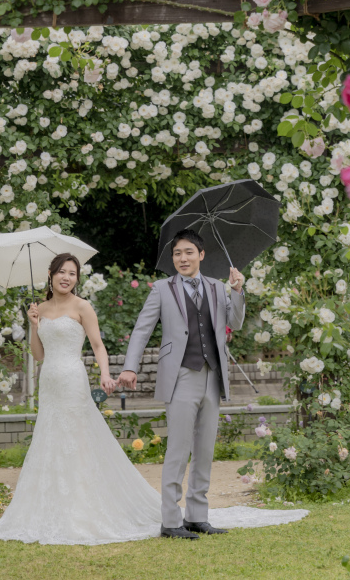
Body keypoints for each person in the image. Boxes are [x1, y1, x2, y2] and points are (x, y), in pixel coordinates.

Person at [0, 252, 164, 544]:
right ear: (50, 274)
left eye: (72, 273)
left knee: (78, 443)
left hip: (73, 380)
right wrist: (34, 325)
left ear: (77, 278)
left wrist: (105, 375)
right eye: (61, 272)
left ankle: (82, 509)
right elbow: (38, 355)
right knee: (50, 440)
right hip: (49, 383)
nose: (66, 277)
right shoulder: (39, 309)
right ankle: (52, 508)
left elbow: (98, 346)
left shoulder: (83, 306)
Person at [117, 229, 246, 539]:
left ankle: (197, 516)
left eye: (189, 252)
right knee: (178, 449)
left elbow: (236, 323)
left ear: (201, 255)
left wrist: (238, 291)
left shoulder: (218, 287)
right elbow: (141, 330)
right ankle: (171, 521)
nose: (183, 258)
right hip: (180, 376)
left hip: (212, 376)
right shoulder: (162, 289)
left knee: (204, 449)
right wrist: (130, 367)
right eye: (178, 253)